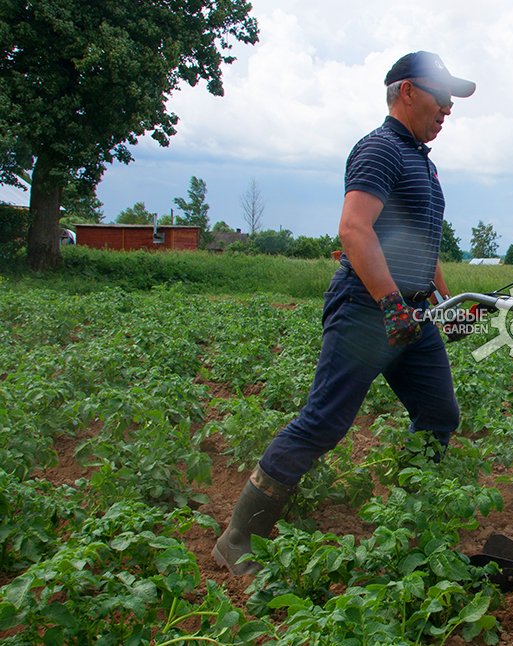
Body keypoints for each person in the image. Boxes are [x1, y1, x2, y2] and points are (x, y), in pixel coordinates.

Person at [213, 51, 476, 575]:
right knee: (324, 421)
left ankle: (407, 516)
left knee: (440, 414)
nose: (448, 109)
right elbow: (355, 230)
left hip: (410, 313)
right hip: (368, 308)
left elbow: (424, 247)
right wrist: (390, 304)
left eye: (453, 102)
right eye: (441, 97)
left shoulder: (421, 161)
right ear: (406, 91)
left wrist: (444, 305)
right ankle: (238, 539)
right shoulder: (380, 149)